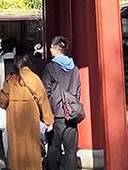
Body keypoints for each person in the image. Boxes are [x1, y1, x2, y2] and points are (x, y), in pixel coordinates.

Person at [0, 52, 54, 170]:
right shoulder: (34, 78)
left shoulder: (10, 79)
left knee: (16, 147)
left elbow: (2, 100)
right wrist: (48, 119)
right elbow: (43, 100)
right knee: (32, 146)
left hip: (14, 118)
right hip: (30, 116)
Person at [43, 36, 82, 170]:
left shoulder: (50, 68)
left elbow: (46, 91)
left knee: (54, 148)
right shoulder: (74, 68)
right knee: (71, 150)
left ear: (56, 49)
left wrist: (46, 112)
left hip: (56, 111)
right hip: (71, 112)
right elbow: (78, 90)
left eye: (51, 48)